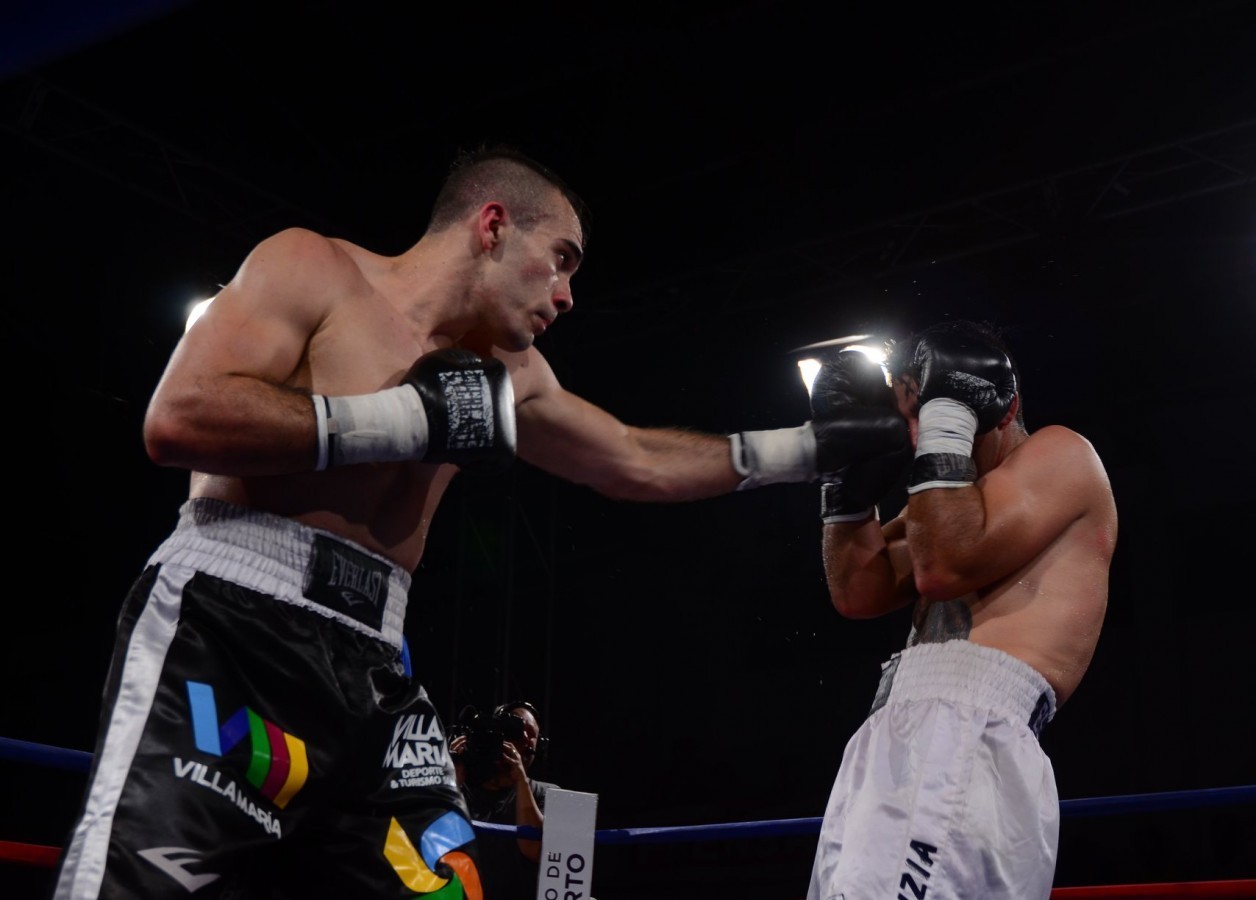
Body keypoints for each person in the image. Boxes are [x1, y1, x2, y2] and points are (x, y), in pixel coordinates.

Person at [51, 145, 909, 900]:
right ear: (493, 225)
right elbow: (179, 419)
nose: (568, 296)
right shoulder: (312, 269)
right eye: (561, 260)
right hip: (232, 625)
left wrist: (809, 447)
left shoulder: (511, 375)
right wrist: (401, 421)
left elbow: (633, 459)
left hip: (376, 667)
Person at [808, 319, 1118, 899]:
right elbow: (857, 592)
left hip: (959, 740)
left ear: (999, 406)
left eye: (932, 413)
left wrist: (942, 422)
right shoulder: (944, 510)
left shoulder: (1060, 456)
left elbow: (943, 569)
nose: (916, 437)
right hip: (909, 739)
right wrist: (848, 484)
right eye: (906, 420)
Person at [449, 702, 557, 899]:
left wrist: (521, 779)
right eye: (517, 728)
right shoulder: (460, 787)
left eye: (531, 733)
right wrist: (450, 780)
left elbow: (535, 850)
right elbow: (432, 841)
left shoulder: (548, 793)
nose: (524, 737)